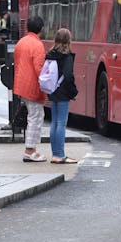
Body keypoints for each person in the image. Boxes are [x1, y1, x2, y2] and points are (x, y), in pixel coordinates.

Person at [13, 16, 47, 162]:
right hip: (33, 86)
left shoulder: (21, 42)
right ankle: (30, 150)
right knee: (35, 118)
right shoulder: (38, 45)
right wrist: (47, 85)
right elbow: (39, 68)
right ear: (41, 29)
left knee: (33, 116)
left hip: (21, 84)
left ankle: (31, 149)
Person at [46, 28, 78, 164]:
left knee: (54, 122)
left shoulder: (50, 54)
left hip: (52, 90)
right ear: (68, 40)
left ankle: (55, 153)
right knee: (61, 123)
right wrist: (73, 92)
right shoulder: (67, 56)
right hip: (63, 92)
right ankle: (59, 155)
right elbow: (68, 76)